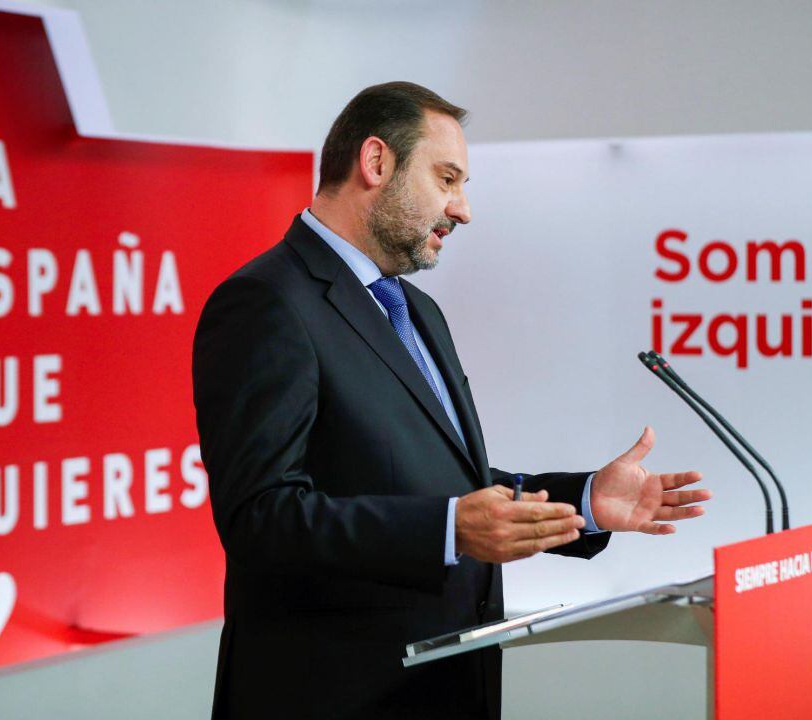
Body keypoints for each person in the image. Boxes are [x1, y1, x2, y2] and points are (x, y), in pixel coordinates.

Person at [192, 81, 710, 720]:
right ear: (376, 163)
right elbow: (259, 518)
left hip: (445, 689)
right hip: (333, 694)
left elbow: (443, 486)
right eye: (447, 179)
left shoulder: (417, 311)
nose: (462, 209)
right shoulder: (267, 303)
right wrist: (447, 530)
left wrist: (581, 503)